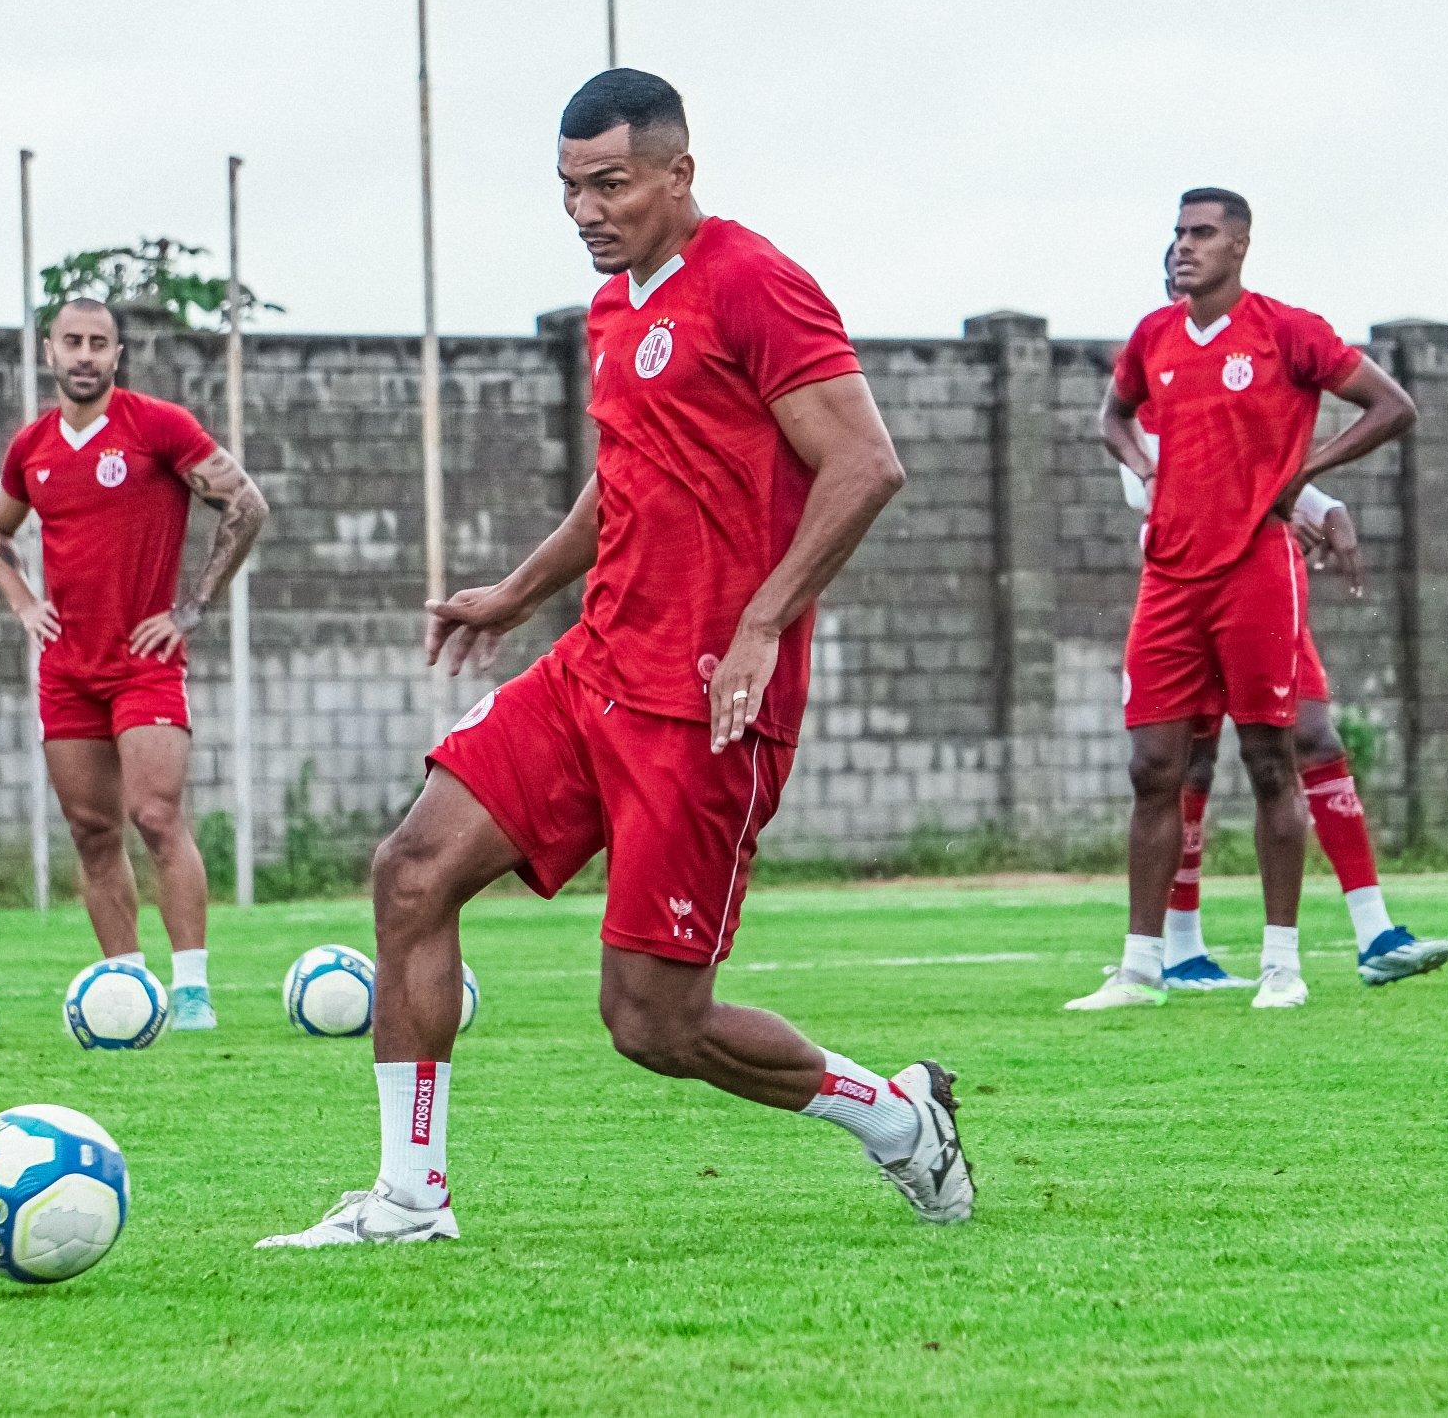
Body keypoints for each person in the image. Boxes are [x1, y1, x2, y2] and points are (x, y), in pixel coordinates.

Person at [259, 69, 970, 1249]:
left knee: (653, 1023)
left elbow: (865, 465)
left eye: (612, 184)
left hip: (704, 708)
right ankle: (407, 1196)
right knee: (410, 873)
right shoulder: (617, 305)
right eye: (570, 188)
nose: (587, 210)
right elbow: (628, 470)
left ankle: (897, 1119)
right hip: (593, 670)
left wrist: (759, 625)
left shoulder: (754, 282)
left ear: (679, 174)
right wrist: (521, 589)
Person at [1070, 190, 1430, 1013]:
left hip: (1254, 572)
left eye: (1201, 234)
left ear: (1239, 244)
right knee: (1153, 767)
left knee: (1273, 759)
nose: (1182, 247)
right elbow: (1113, 415)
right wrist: (1146, 464)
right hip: (1169, 577)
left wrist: (1308, 477)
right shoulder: (1154, 338)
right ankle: (1141, 968)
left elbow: (1393, 405)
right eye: (1176, 234)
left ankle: (1281, 964)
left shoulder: (1287, 331)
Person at [0, 298, 267, 1030]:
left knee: (158, 816)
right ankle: (128, 993)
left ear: (116, 354)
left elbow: (246, 504)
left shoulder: (157, 427)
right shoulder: (32, 448)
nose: (83, 355)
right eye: (71, 342)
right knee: (91, 831)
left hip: (145, 663)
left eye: (97, 344)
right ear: (49, 352)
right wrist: (22, 603)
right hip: (66, 668)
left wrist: (193, 606)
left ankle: (193, 991)